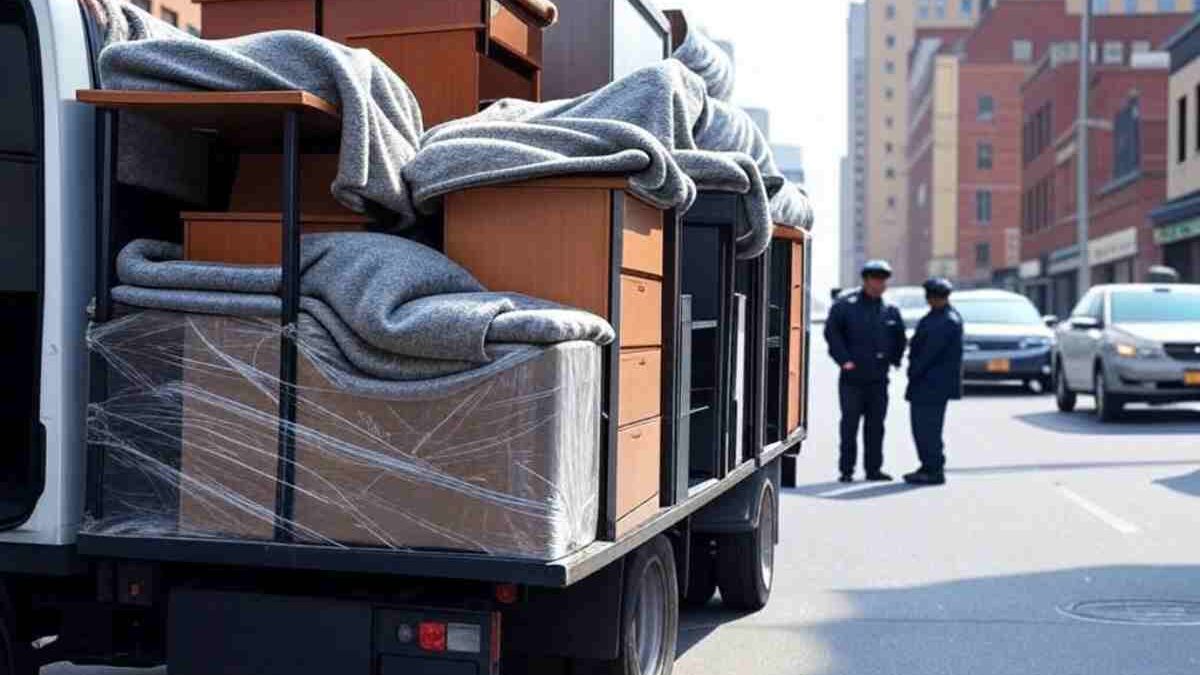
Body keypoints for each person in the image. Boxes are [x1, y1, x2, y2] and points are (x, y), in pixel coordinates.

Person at [824, 260, 908, 483]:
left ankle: (874, 469)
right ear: (866, 280)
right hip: (852, 378)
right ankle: (846, 470)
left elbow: (900, 338)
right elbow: (832, 333)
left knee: (876, 426)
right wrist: (844, 360)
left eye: (883, 281)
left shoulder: (890, 310)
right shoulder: (846, 305)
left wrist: (895, 359)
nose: (880, 285)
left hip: (879, 379)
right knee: (849, 425)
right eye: (876, 280)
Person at [903, 277, 964, 486]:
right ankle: (927, 466)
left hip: (931, 384)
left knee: (927, 429)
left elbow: (928, 354)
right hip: (928, 383)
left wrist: (913, 372)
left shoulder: (945, 321)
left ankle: (933, 469)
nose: (930, 300)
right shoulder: (938, 316)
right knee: (923, 429)